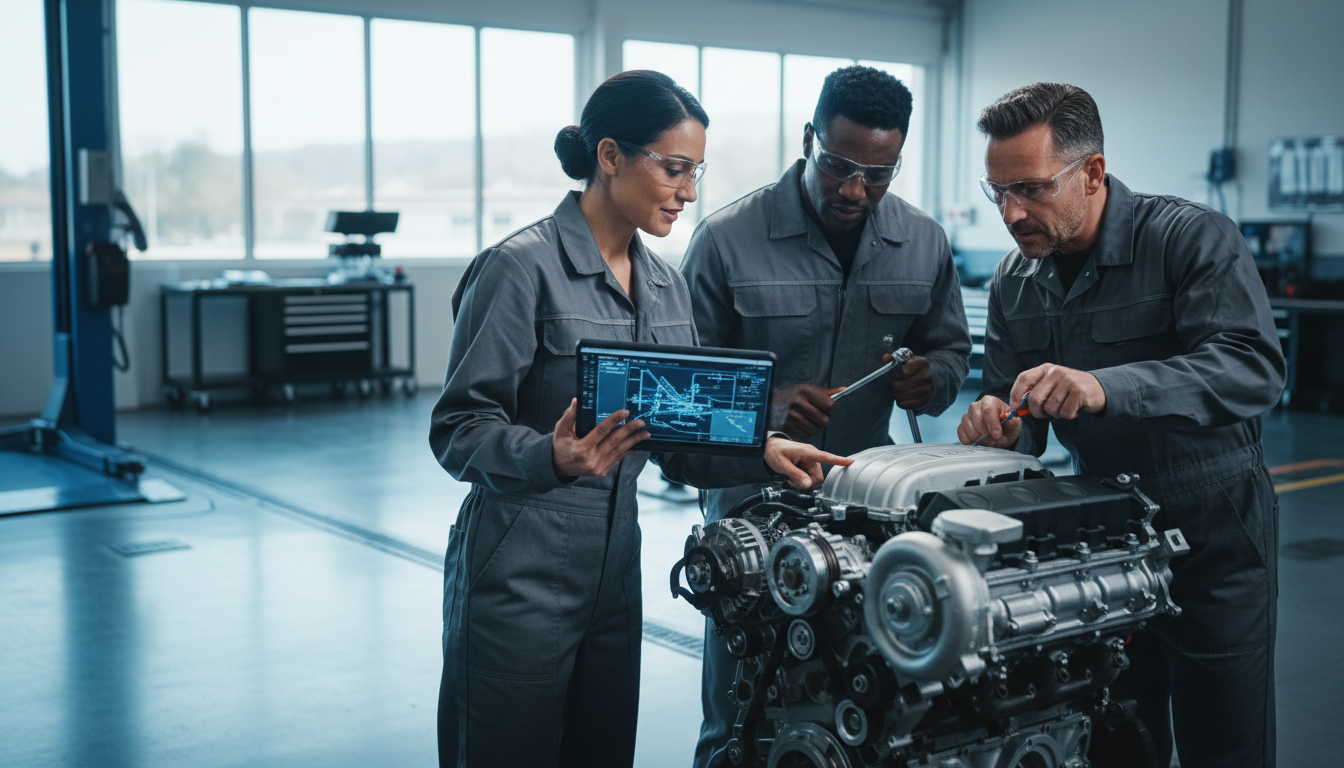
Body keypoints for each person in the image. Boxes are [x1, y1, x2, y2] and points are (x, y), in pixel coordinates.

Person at [428, 70, 852, 768]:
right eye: (674, 168)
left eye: (696, 172)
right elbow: (458, 427)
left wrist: (763, 448)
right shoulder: (520, 269)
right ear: (610, 156)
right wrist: (550, 456)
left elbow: (677, 444)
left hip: (615, 579)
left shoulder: (664, 286)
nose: (689, 192)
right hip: (518, 574)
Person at [957, 82, 1284, 768]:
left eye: (1031, 189)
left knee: (1225, 741)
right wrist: (1000, 425)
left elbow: (1251, 366)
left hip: (1213, 529)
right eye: (998, 192)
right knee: (1114, 739)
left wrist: (1107, 387)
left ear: (1093, 172)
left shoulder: (1188, 238)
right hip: (1101, 536)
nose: (1012, 213)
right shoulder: (1014, 281)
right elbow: (1019, 420)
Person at [681, 65, 971, 768]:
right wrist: (771, 405)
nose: (855, 190)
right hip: (752, 502)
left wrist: (931, 379)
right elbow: (682, 388)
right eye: (839, 165)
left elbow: (951, 353)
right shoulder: (727, 239)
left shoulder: (923, 242)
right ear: (809, 138)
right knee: (742, 705)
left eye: (878, 175)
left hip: (868, 501)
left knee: (858, 698)